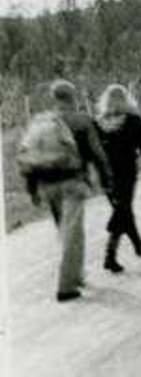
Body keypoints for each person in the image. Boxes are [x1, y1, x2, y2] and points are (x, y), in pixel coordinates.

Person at [18, 79, 114, 302]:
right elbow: (98, 153)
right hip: (72, 183)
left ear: (54, 97)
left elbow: (30, 155)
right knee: (73, 233)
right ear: (73, 96)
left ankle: (77, 274)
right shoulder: (81, 119)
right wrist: (106, 179)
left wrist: (31, 189)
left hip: (47, 185)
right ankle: (66, 286)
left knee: (65, 231)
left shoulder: (41, 121)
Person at [94, 84, 141, 273]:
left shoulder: (97, 124)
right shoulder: (132, 121)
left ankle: (137, 242)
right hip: (126, 171)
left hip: (106, 174)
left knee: (122, 208)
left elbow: (93, 151)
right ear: (125, 100)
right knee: (122, 209)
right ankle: (109, 255)